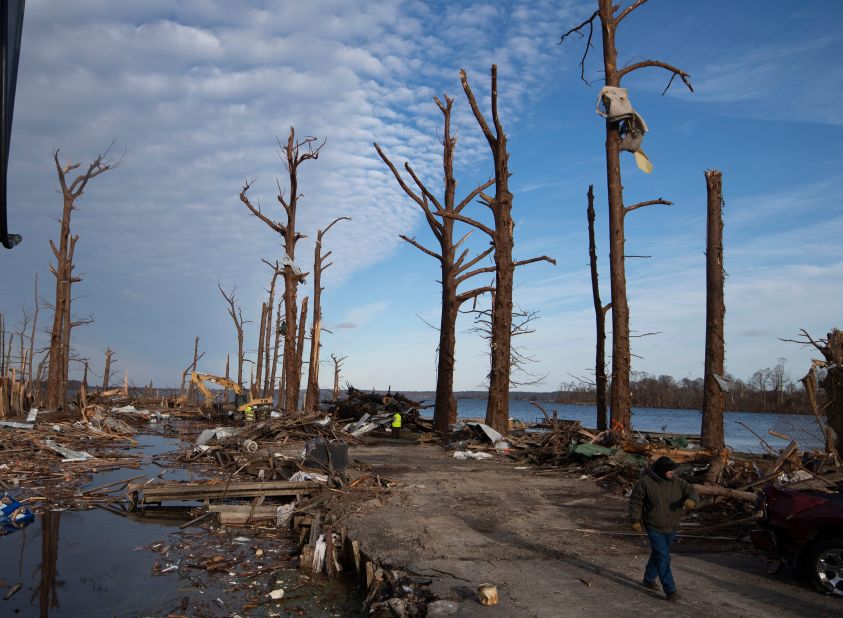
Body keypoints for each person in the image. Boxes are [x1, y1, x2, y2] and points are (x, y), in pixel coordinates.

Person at [629, 456, 698, 601]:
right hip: (654, 524)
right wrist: (635, 520)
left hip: (672, 524)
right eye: (669, 471)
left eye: (673, 470)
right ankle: (670, 589)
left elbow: (691, 491)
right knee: (663, 556)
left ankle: (648, 579)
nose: (672, 473)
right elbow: (636, 502)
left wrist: (692, 500)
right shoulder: (645, 483)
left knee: (659, 554)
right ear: (661, 471)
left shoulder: (677, 481)